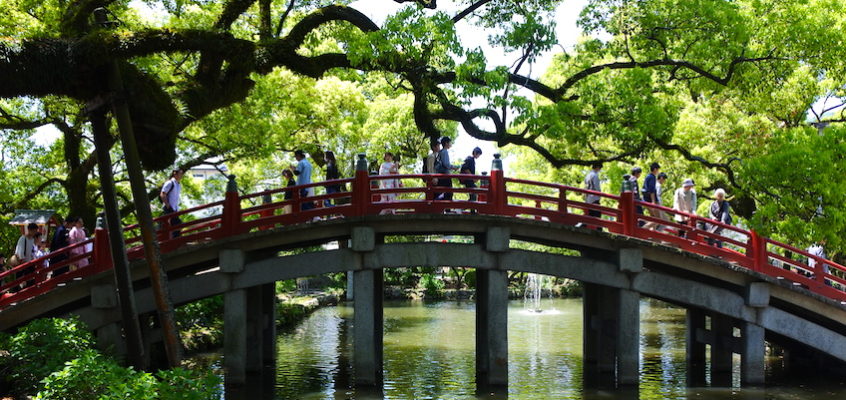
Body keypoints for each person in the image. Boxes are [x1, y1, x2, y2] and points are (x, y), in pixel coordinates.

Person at [12, 223, 39, 289]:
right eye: (33, 231)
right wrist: (24, 262)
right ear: (29, 230)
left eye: (35, 231)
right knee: (20, 280)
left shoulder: (32, 239)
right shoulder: (23, 238)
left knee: (30, 280)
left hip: (29, 262)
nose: (34, 233)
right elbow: (20, 252)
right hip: (23, 263)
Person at [160, 168, 184, 237]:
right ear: (175, 174)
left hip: (175, 209)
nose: (181, 175)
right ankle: (176, 242)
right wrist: (168, 206)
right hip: (169, 208)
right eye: (180, 173)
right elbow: (163, 194)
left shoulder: (178, 185)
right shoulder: (170, 183)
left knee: (177, 226)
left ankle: (177, 241)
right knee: (177, 225)